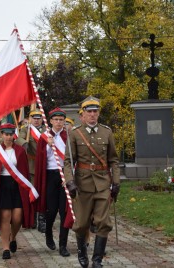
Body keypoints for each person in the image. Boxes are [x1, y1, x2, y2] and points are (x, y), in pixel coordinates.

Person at [64, 96, 120, 268]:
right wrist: (70, 182)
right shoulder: (74, 133)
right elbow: (68, 161)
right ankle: (82, 252)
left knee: (104, 223)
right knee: (81, 224)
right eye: (89, 112)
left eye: (95, 111)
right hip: (82, 184)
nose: (93, 115)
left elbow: (113, 160)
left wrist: (116, 182)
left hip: (103, 183)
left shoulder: (107, 132)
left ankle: (97, 260)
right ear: (83, 114)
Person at [0, 123, 35, 260]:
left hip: (17, 186)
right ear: (2, 135)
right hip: (3, 186)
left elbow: (25, 172)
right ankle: (6, 248)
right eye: (6, 134)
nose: (8, 137)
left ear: (14, 135)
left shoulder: (20, 151)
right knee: (5, 217)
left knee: (18, 217)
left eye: (10, 134)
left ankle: (13, 237)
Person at [34, 108, 72, 257]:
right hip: (50, 175)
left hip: (64, 175)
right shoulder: (44, 137)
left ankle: (63, 245)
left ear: (64, 121)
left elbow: (72, 158)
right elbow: (40, 159)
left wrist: (69, 178)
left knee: (64, 211)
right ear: (50, 121)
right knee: (51, 210)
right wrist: (48, 146)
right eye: (56, 120)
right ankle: (48, 233)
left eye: (61, 120)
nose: (58, 122)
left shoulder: (68, 136)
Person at [16, 108, 47, 232]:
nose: (36, 120)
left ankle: (42, 219)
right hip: (32, 165)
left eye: (39, 118)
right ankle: (32, 218)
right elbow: (18, 139)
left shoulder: (47, 130)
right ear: (30, 119)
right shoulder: (26, 130)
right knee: (33, 192)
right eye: (34, 118)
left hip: (44, 165)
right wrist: (24, 143)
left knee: (43, 192)